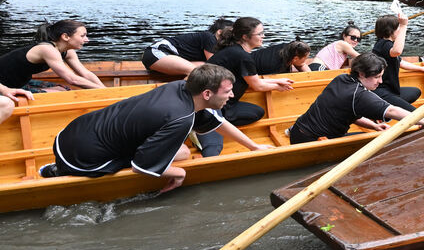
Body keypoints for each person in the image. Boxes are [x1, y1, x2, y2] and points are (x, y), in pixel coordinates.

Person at [39, 64, 271, 191]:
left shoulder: (182, 87)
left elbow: (218, 122)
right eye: (228, 91)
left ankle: (58, 166)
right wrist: (180, 174)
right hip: (84, 158)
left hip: (70, 134)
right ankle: (59, 172)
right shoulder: (180, 118)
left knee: (181, 152)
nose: (232, 95)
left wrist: (253, 147)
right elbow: (141, 167)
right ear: (207, 94)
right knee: (180, 161)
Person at [288, 53, 424, 144]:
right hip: (313, 140)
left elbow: (349, 115)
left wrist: (374, 126)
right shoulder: (359, 95)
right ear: (361, 73)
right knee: (380, 143)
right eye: (376, 77)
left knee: (374, 133)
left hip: (297, 132)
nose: (380, 82)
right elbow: (392, 110)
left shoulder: (341, 78)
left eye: (381, 77)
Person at [207, 17, 294, 144]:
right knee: (257, 112)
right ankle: (215, 124)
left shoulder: (233, 50)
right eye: (259, 34)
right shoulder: (243, 57)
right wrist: (276, 86)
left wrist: (278, 80)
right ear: (245, 37)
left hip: (213, 99)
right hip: (218, 105)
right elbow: (257, 85)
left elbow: (253, 79)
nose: (263, 36)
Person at [0, 20, 104, 92]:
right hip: (4, 86)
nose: (87, 40)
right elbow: (72, 79)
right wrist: (102, 91)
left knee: (64, 89)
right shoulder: (47, 49)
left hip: (21, 82)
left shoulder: (68, 51)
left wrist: (105, 90)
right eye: (82, 36)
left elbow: (86, 73)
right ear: (65, 37)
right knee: (60, 93)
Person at [370, 14, 424, 111]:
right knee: (417, 114)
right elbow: (397, 51)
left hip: (391, 90)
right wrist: (403, 26)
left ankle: (388, 108)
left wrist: (421, 68)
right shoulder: (384, 45)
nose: (400, 30)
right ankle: (384, 109)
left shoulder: (385, 44)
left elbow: (401, 62)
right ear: (390, 31)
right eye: (398, 28)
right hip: (381, 92)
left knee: (415, 92)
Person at [141, 18, 233, 77]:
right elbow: (215, 64)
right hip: (158, 52)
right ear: (219, 32)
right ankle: (182, 97)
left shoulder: (217, 45)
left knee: (204, 65)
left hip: (167, 57)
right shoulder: (209, 37)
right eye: (231, 32)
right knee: (200, 70)